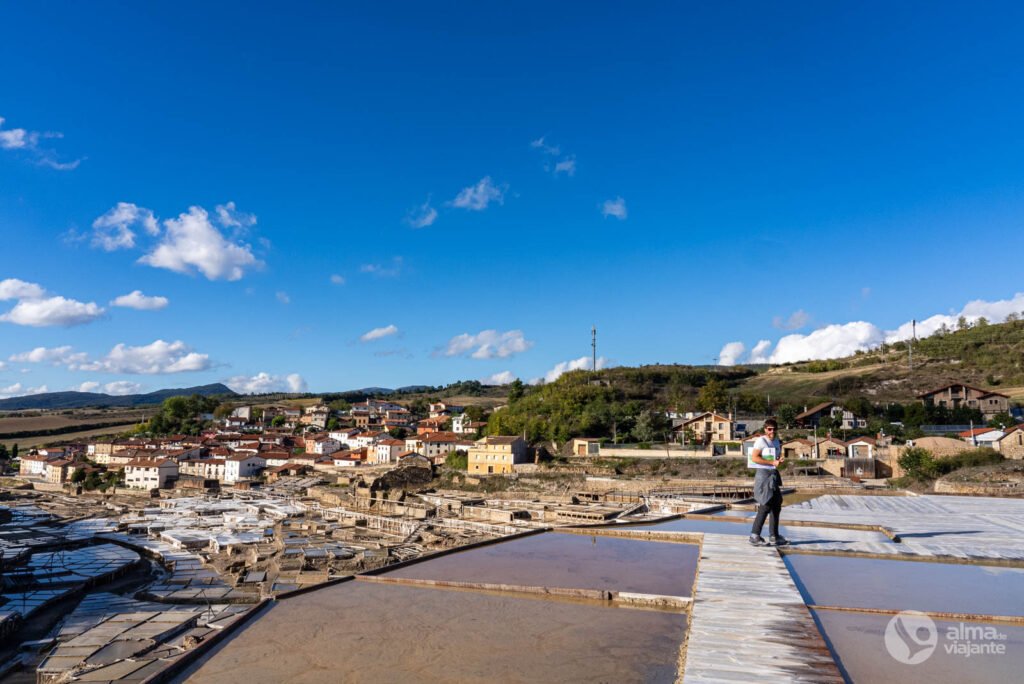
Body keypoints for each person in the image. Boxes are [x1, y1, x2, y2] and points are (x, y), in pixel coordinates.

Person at [748, 418, 789, 546]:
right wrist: (772, 462)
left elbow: (774, 458)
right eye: (769, 429)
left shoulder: (777, 441)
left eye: (774, 429)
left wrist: (778, 460)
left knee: (777, 503)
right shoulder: (761, 441)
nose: (772, 431)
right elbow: (754, 458)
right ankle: (754, 535)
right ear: (765, 429)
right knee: (765, 504)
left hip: (773, 474)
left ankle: (774, 536)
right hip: (763, 475)